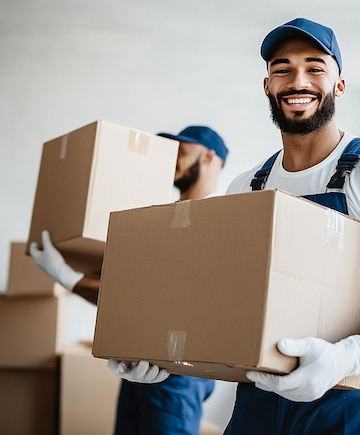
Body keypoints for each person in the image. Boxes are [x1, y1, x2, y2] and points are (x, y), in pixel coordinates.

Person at [108, 17, 360, 434]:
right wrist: (161, 353)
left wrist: (350, 355)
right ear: (268, 85)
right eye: (282, 68)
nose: (297, 80)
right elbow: (219, 299)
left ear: (339, 84)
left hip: (350, 402)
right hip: (259, 401)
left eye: (315, 67)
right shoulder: (246, 188)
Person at [29, 125, 229, 435]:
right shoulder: (165, 216)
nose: (172, 157)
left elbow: (160, 299)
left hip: (178, 373)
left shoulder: (220, 216)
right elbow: (124, 298)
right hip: (140, 366)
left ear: (209, 156)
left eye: (181, 149)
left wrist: (67, 277)